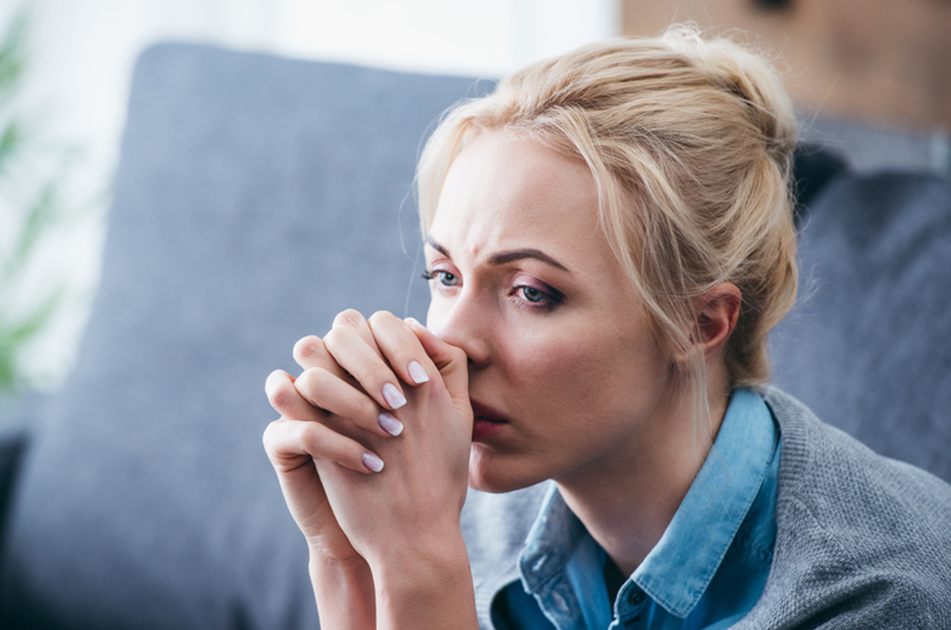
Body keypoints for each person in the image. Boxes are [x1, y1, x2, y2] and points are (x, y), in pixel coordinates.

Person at [263, 25, 951, 630]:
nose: (451, 345)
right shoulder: (450, 504)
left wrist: (419, 569)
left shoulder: (876, 597)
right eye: (445, 277)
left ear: (699, 323)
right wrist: (347, 560)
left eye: (532, 292)